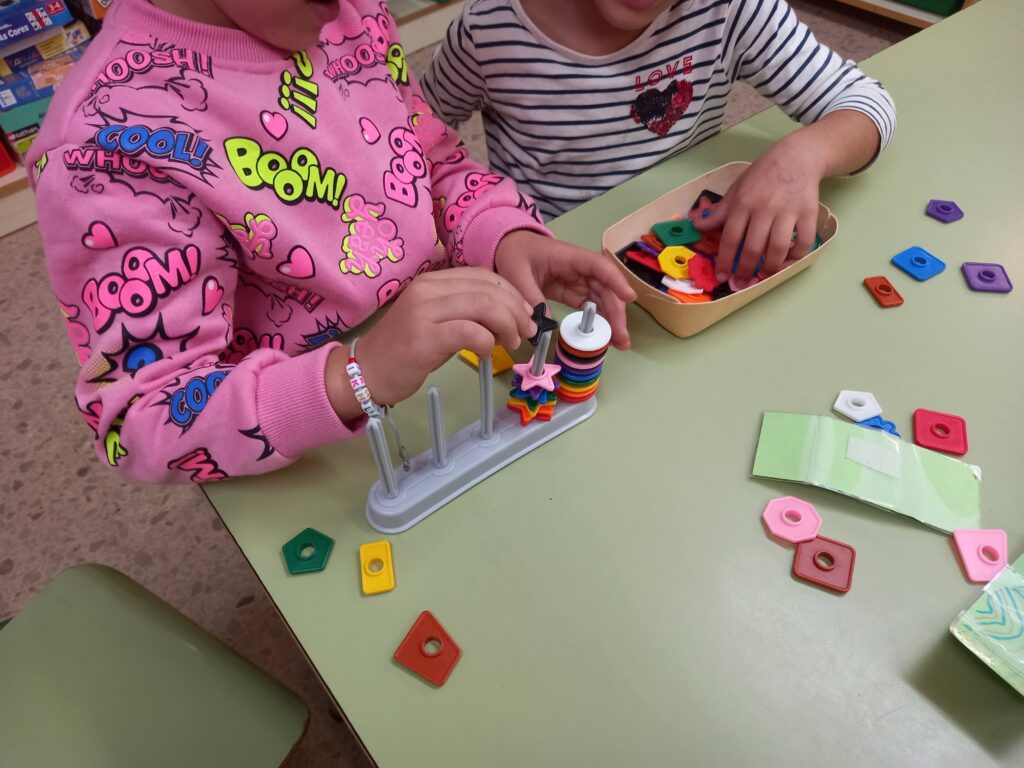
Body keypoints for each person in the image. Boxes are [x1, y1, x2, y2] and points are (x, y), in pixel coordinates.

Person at [28, 0, 635, 483]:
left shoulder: (348, 14)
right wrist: (354, 377)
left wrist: (503, 234)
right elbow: (141, 420)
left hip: (439, 381)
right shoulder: (100, 147)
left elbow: (428, 161)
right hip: (307, 448)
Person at [421, 0, 897, 278]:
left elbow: (866, 104)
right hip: (549, 266)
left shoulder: (731, 10)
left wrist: (802, 156)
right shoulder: (488, 28)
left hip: (689, 252)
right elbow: (410, 143)